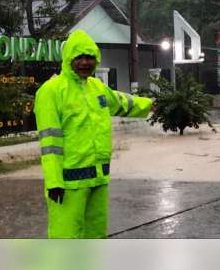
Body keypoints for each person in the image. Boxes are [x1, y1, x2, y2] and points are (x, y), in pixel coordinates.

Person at [33, 29, 153, 239]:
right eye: (79, 57)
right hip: (69, 183)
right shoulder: (51, 91)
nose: (85, 63)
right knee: (66, 236)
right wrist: (54, 182)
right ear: (68, 58)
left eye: (90, 57)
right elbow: (50, 142)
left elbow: (122, 102)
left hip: (98, 178)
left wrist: (151, 105)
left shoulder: (97, 87)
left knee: (96, 234)